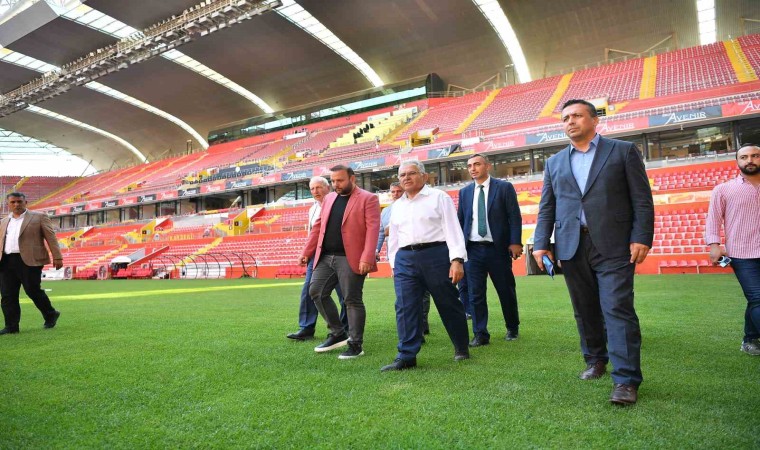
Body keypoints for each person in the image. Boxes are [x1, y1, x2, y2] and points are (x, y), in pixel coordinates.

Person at [532, 99, 654, 406]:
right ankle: (595, 360)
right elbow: (547, 206)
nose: (570, 121)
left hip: (615, 244)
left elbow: (642, 199)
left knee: (617, 307)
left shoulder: (622, 151)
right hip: (571, 245)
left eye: (577, 115)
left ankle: (626, 379)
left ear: (594, 120)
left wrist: (641, 236)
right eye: (565, 118)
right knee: (584, 308)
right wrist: (541, 242)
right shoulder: (554, 162)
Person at [382, 161, 470, 371]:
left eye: (411, 173)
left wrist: (457, 260)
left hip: (436, 255)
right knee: (405, 307)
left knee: (448, 302)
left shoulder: (439, 197)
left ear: (424, 176)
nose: (406, 178)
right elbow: (394, 237)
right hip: (405, 259)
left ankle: (461, 346)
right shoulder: (397, 205)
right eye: (402, 175)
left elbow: (453, 229)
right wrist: (394, 264)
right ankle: (406, 355)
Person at [300, 165, 380, 359]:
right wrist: (307, 251)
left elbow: (373, 229)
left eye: (340, 180)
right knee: (316, 291)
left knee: (351, 299)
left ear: (352, 179)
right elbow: (318, 227)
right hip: (326, 257)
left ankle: (355, 344)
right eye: (333, 181)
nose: (336, 184)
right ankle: (338, 333)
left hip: (351, 258)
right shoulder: (329, 198)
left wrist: (367, 256)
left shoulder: (368, 198)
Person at [458, 153, 523, 346]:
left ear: (487, 166)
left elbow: (514, 216)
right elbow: (461, 221)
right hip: (473, 250)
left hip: (497, 249)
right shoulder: (464, 192)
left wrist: (515, 242)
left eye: (477, 164)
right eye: (469, 166)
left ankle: (512, 327)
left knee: (505, 290)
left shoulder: (504, 188)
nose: (472, 168)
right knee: (475, 293)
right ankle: (480, 334)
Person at [705, 144, 760, 355]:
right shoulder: (724, 189)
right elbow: (713, 219)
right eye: (744, 157)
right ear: (737, 161)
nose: (750, 160)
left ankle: (750, 340)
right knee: (757, 298)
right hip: (742, 254)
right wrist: (714, 245)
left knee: (755, 300)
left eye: (755, 156)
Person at [286, 176, 347, 341]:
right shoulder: (312, 209)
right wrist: (306, 252)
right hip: (317, 255)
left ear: (328, 188)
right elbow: (313, 233)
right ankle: (306, 327)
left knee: (344, 293)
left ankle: (344, 328)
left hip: (338, 254)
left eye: (319, 187)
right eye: (312, 188)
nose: (315, 191)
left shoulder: (339, 204)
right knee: (308, 289)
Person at [0, 192, 64, 335]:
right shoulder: (4, 221)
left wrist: (57, 256)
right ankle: (11, 326)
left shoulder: (39, 217)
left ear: (25, 202)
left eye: (19, 201)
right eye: (13, 202)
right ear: (8, 204)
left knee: (32, 290)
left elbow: (51, 237)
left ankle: (50, 314)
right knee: (7, 295)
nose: (16, 204)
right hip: (6, 261)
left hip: (30, 260)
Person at [377, 182, 431, 335]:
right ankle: (412, 325)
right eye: (393, 191)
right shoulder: (386, 211)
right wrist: (376, 249)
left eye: (398, 191)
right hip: (397, 256)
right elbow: (381, 232)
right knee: (404, 291)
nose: (396, 194)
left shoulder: (416, 206)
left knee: (423, 291)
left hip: (418, 253)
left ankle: (422, 322)